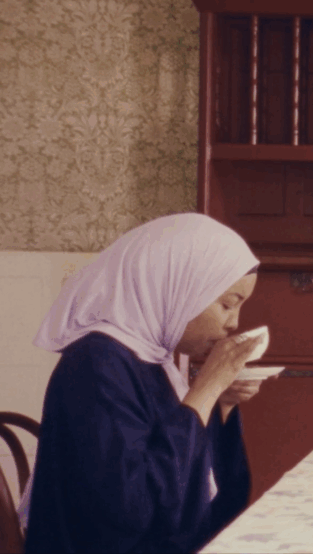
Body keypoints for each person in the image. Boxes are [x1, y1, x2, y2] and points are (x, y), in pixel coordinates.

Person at [18, 212, 269, 553]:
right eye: (227, 304)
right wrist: (205, 390)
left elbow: (217, 501)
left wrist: (219, 402)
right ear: (178, 287)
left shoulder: (153, 357)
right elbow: (129, 514)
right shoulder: (95, 363)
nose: (233, 323)